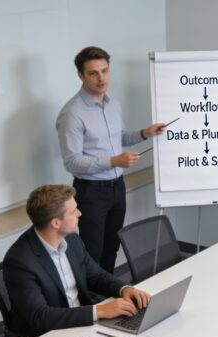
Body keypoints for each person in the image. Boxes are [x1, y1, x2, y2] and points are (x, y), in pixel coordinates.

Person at [56, 46, 166, 273]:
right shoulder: (72, 113)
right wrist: (114, 161)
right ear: (80, 75)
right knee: (92, 252)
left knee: (111, 248)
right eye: (93, 73)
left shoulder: (112, 103)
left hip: (117, 188)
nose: (101, 78)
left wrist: (145, 133)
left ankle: (108, 297)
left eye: (105, 71)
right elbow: (72, 162)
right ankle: (92, 305)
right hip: (91, 192)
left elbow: (120, 138)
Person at [2, 184, 150, 337]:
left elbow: (97, 276)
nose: (80, 213)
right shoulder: (19, 261)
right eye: (74, 211)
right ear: (56, 223)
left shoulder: (71, 239)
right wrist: (98, 311)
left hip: (83, 326)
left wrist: (124, 289)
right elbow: (40, 316)